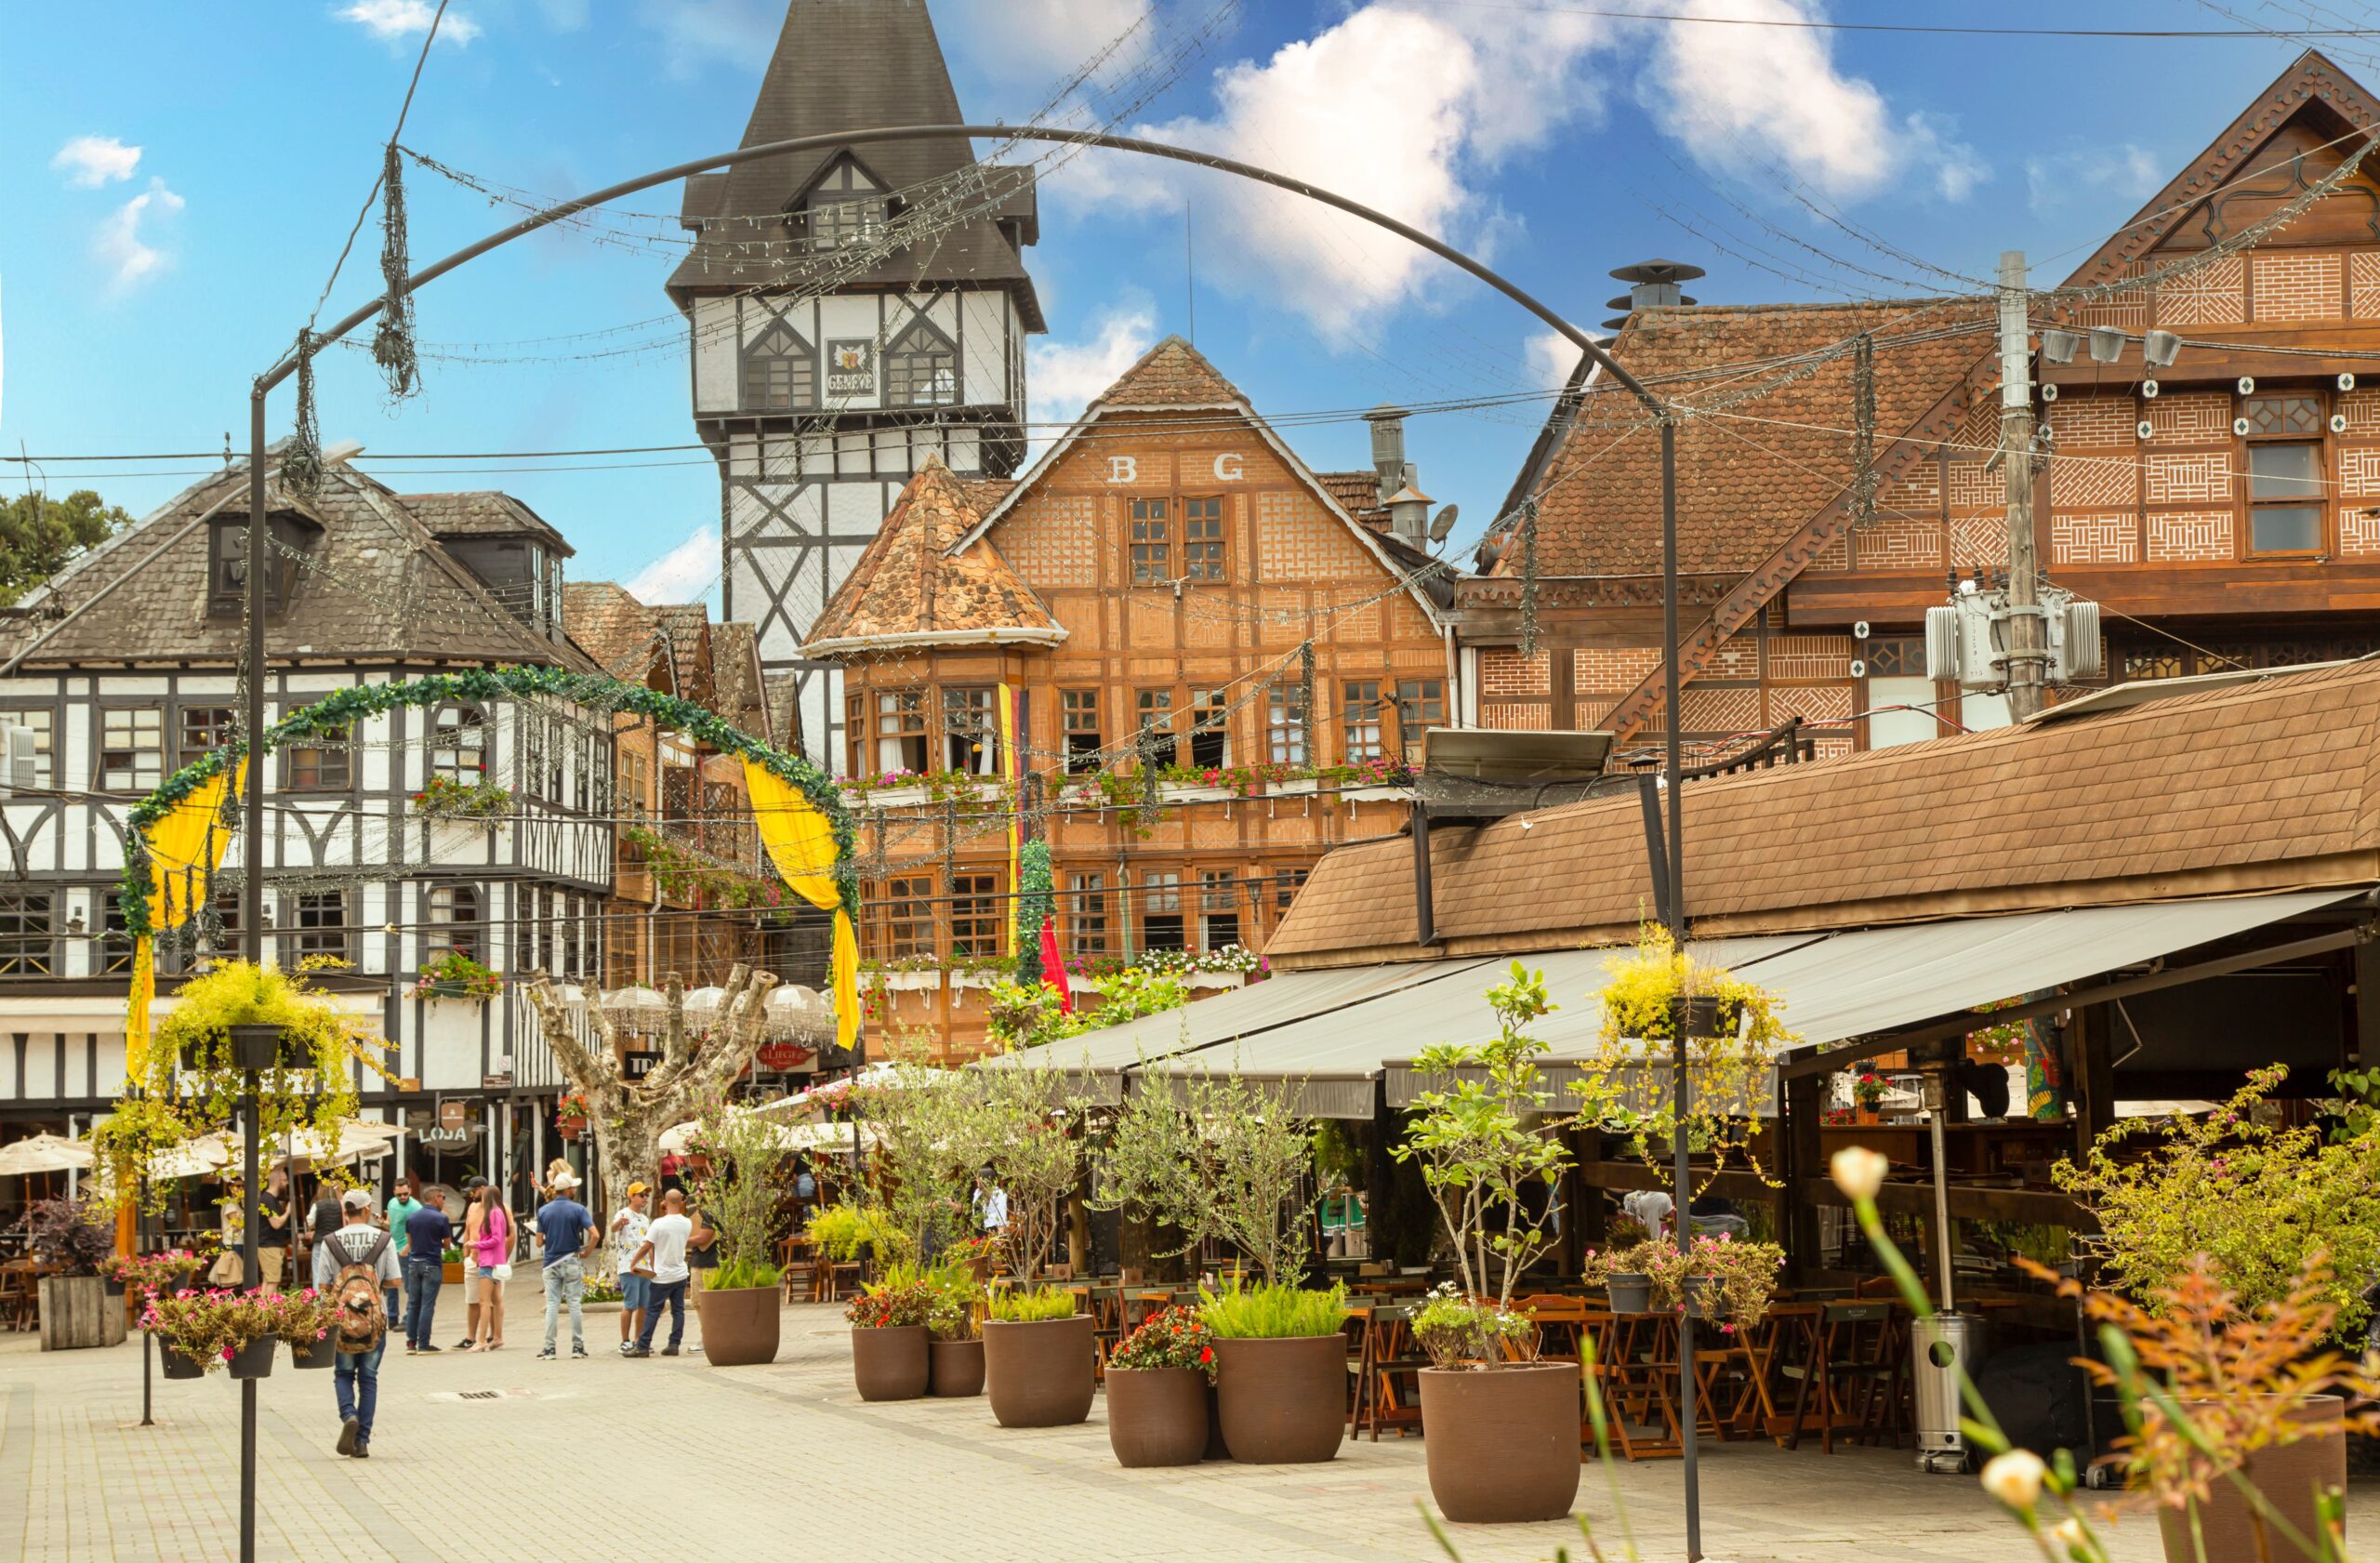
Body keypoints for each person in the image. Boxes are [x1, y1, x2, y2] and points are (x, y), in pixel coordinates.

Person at [312, 1186, 399, 1460]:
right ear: (365, 1210)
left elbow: (323, 1285)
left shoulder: (330, 1240)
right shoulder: (384, 1239)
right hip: (375, 1318)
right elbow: (395, 1281)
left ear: (345, 1212)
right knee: (369, 1379)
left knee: (343, 1374)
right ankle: (362, 1441)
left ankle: (349, 1415)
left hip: (342, 1320)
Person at [532, 1170, 596, 1360]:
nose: (575, 1189)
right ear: (568, 1190)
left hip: (551, 1261)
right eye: (573, 1187)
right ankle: (577, 1347)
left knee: (552, 1305)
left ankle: (549, 1348)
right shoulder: (578, 1209)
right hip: (571, 1259)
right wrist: (588, 1252)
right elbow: (596, 1234)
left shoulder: (543, 1210)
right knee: (574, 1304)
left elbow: (538, 1242)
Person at [627, 1187, 694, 1358]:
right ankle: (674, 1344)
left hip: (662, 1275)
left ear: (664, 1202)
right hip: (680, 1273)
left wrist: (633, 1262)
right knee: (678, 1311)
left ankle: (643, 1345)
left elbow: (646, 1246)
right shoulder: (687, 1222)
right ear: (681, 1202)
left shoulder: (659, 1223)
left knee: (653, 1311)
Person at [401, 1185, 453, 1354]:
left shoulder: (412, 1217)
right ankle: (424, 1343)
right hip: (432, 1262)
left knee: (413, 1303)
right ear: (436, 1197)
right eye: (443, 1198)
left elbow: (410, 1241)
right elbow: (446, 1243)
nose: (443, 1201)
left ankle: (410, 1343)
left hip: (414, 1262)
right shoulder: (441, 1218)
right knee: (427, 1304)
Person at [468, 1182, 511, 1352]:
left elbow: (496, 1239)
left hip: (489, 1262)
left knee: (483, 1301)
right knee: (496, 1299)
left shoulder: (493, 1214)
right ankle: (497, 1337)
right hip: (496, 1261)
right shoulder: (499, 1212)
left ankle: (481, 1340)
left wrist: (476, 1244)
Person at [610, 1182, 653, 1354]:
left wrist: (653, 1263)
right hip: (628, 1265)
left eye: (646, 1196)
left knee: (644, 1305)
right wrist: (619, 1223)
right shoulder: (622, 1213)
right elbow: (613, 1228)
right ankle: (625, 1340)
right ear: (631, 1196)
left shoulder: (645, 1219)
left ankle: (638, 1339)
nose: (645, 1199)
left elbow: (649, 1243)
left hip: (644, 1266)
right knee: (630, 1304)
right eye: (641, 1195)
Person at [384, 1175, 422, 1331]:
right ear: (394, 1192)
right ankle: (392, 1318)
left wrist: (407, 1247)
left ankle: (409, 1318)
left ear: (410, 1191)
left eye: (405, 1194)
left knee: (409, 1286)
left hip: (407, 1250)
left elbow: (418, 1231)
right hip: (392, 1247)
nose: (402, 1197)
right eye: (399, 1194)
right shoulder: (392, 1203)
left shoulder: (416, 1208)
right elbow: (390, 1225)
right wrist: (381, 1222)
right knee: (391, 1284)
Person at [456, 1181, 486, 1347]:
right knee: (472, 1299)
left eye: (473, 1192)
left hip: (489, 1260)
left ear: (481, 1189)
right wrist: (465, 1255)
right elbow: (468, 1229)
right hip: (473, 1260)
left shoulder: (497, 1208)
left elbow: (508, 1234)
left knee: (490, 1300)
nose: (471, 1195)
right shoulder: (472, 1208)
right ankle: (470, 1337)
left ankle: (493, 1336)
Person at [255, 1165, 294, 1294]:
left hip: (268, 1244)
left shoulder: (269, 1199)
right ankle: (267, 1310)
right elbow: (276, 1224)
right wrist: (288, 1212)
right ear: (279, 1181)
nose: (287, 1183)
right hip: (270, 1245)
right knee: (273, 1280)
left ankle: (264, 1309)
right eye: (285, 1180)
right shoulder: (268, 1200)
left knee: (268, 1279)